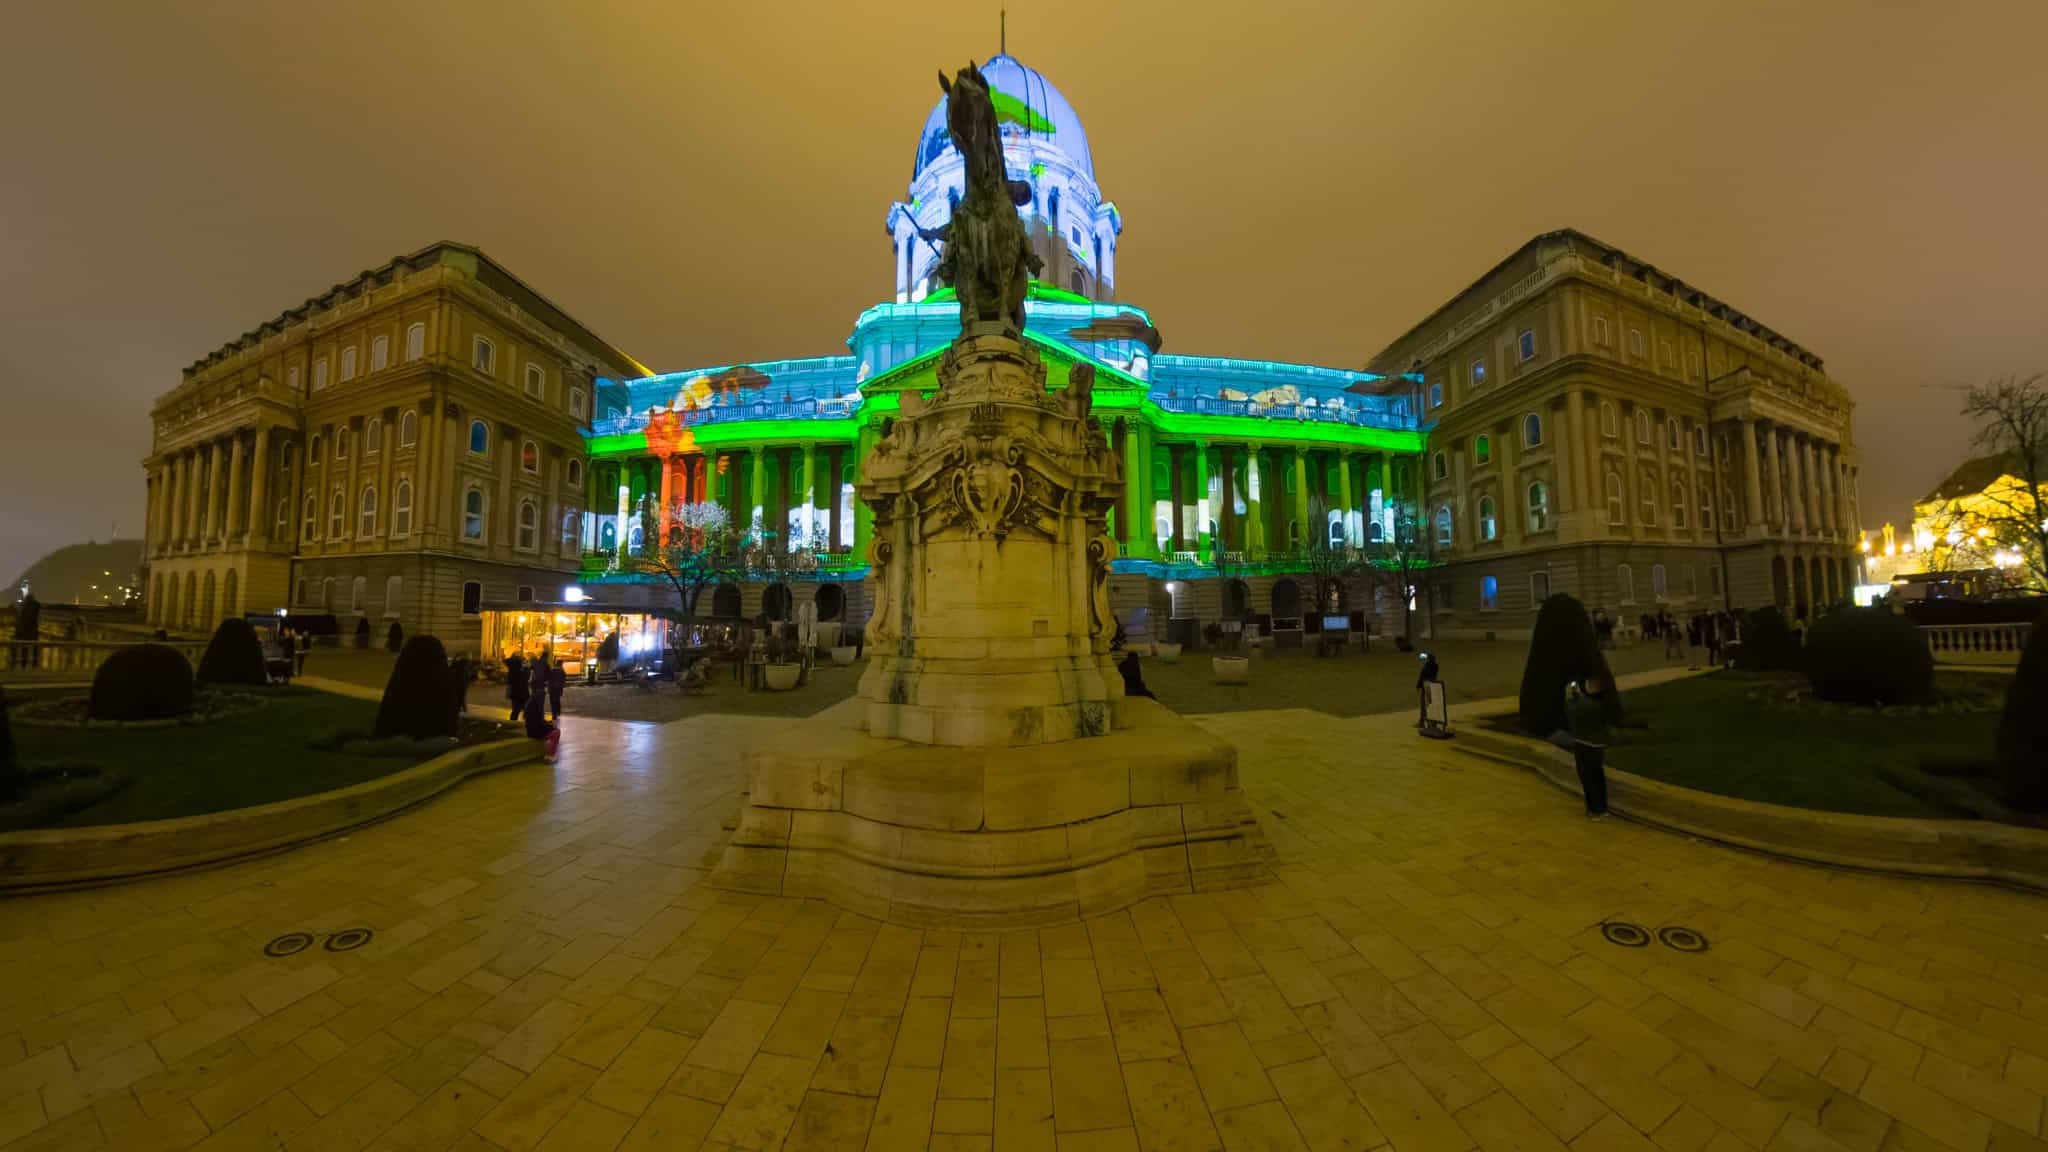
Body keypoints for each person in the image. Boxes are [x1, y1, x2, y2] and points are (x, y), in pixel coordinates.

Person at [1566, 678, 1611, 818]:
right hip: (1598, 746)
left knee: (1587, 778)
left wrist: (1574, 695)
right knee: (1598, 776)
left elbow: (1570, 711)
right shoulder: (1602, 705)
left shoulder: (1577, 705)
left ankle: (1594, 809)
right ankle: (1603, 808)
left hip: (1582, 744)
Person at [524, 684, 559, 759]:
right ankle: (550, 755)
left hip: (530, 730)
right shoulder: (538, 706)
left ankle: (548, 753)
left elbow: (539, 721)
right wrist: (551, 726)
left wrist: (549, 723)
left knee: (552, 729)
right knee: (556, 732)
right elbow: (540, 724)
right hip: (535, 732)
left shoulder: (530, 704)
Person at [1415, 650, 1441, 727]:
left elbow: (1422, 675)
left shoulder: (1429, 665)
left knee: (1426, 705)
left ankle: (1426, 722)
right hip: (1430, 685)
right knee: (1427, 704)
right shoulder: (1435, 665)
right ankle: (1427, 722)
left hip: (1427, 686)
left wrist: (1418, 685)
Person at [505, 653, 530, 722]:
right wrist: (526, 667)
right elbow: (526, 676)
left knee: (516, 709)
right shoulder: (520, 671)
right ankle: (514, 722)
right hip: (521, 693)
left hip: (516, 693)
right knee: (520, 709)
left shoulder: (512, 671)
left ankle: (513, 722)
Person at [546, 656, 567, 721]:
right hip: (557, 689)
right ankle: (557, 713)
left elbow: (549, 679)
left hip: (552, 689)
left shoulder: (552, 670)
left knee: (553, 701)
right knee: (556, 701)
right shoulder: (562, 671)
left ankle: (554, 714)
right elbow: (563, 680)